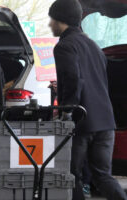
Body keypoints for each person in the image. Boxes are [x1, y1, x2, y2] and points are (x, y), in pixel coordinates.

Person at [48, 0, 127, 200]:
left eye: (52, 20)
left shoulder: (64, 46)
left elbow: (74, 79)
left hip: (83, 122)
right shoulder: (94, 46)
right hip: (106, 122)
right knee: (102, 176)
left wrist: (66, 112)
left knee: (71, 175)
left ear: (61, 20)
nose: (50, 25)